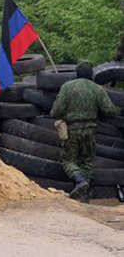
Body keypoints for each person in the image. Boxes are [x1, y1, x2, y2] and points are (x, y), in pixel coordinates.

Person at [51, 60, 118, 202]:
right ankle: (84, 196)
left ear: (77, 72)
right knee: (86, 161)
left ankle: (79, 180)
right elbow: (110, 110)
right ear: (91, 73)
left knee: (69, 159)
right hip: (90, 130)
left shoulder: (67, 87)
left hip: (72, 129)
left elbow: (56, 111)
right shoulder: (97, 89)